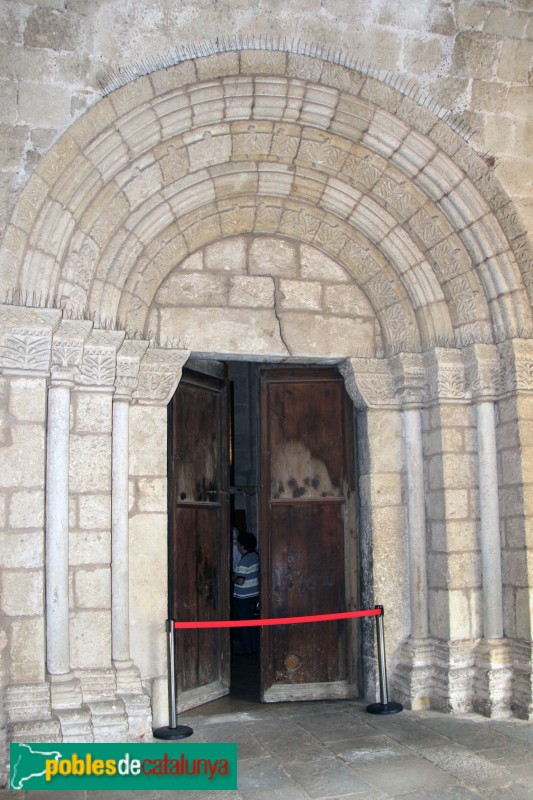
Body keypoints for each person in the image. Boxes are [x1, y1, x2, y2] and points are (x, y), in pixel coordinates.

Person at [232, 532, 259, 655]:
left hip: (243, 597)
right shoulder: (255, 555)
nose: (237, 546)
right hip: (254, 594)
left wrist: (231, 578)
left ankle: (246, 649)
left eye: (238, 544)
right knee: (251, 623)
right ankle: (253, 647)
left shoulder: (244, 560)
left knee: (243, 624)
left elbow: (240, 581)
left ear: (242, 546)